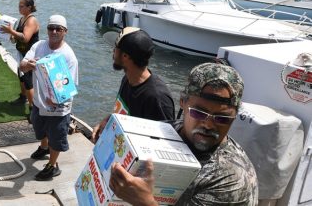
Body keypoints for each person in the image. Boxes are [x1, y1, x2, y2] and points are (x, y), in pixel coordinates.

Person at [109, 62, 258, 205]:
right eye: (199, 113)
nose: (208, 124)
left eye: (222, 118)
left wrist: (144, 202)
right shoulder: (169, 129)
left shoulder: (232, 179)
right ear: (182, 102)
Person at [19, 15, 78, 181]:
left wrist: (56, 100)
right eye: (51, 27)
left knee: (56, 137)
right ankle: (44, 147)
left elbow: (70, 86)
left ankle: (52, 165)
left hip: (58, 108)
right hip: (39, 102)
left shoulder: (69, 56)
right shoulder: (38, 46)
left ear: (65, 32)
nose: (54, 31)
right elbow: (22, 65)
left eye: (58, 29)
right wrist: (27, 65)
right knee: (39, 127)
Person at [92, 27, 174, 143]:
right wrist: (108, 121)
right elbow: (125, 114)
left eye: (115, 48)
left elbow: (164, 144)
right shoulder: (127, 79)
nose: (112, 52)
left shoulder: (157, 98)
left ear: (125, 56)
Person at [0, 0, 40, 108]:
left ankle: (33, 109)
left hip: (29, 56)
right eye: (19, 6)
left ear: (29, 7)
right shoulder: (22, 19)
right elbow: (17, 37)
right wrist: (10, 35)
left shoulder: (31, 20)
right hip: (21, 53)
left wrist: (11, 31)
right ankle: (23, 98)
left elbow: (25, 38)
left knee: (28, 82)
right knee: (21, 78)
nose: (19, 8)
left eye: (21, 6)